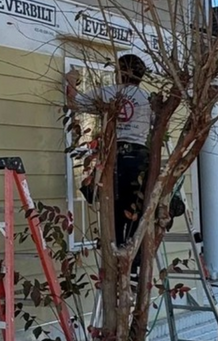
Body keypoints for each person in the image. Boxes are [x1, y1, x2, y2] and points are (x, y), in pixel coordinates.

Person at [65, 53, 153, 245]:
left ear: (121, 72)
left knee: (114, 208)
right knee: (134, 209)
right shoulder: (147, 98)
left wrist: (71, 80)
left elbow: (73, 103)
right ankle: (133, 262)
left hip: (116, 155)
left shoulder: (108, 93)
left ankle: (117, 254)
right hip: (140, 158)